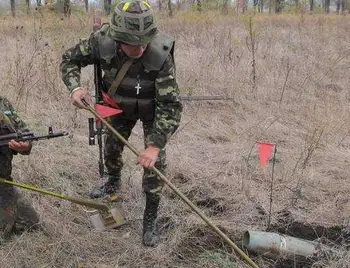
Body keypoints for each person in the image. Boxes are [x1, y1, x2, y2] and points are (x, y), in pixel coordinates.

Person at [60, 0, 182, 246]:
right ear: (117, 37)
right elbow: (68, 60)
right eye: (131, 44)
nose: (138, 49)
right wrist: (75, 87)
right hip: (117, 106)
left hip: (153, 110)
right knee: (112, 148)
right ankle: (113, 181)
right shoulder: (101, 42)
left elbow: (171, 106)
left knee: (155, 165)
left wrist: (154, 146)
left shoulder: (161, 55)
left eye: (142, 43)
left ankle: (150, 218)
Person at [0, 96, 40, 241]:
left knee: (30, 221)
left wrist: (26, 145)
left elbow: (23, 132)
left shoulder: (3, 103)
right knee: (3, 234)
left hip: (3, 181)